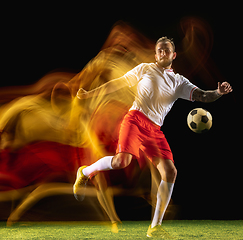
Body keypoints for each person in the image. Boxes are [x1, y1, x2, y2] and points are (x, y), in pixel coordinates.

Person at [73, 36, 233, 237]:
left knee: (170, 171)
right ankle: (85, 173)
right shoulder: (144, 69)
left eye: (166, 50)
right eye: (159, 50)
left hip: (155, 130)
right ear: (156, 54)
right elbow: (117, 84)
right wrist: (90, 94)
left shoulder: (179, 81)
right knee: (122, 161)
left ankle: (154, 227)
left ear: (173, 55)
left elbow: (202, 95)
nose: (162, 53)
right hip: (135, 120)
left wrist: (218, 92)